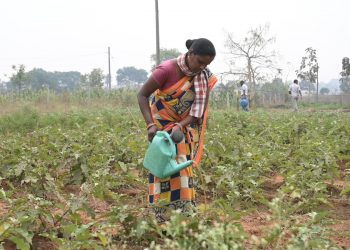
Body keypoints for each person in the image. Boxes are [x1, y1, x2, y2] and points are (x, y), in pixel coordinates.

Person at [137, 38, 217, 223]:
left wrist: (180, 125)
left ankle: (184, 214)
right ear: (190, 54)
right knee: (161, 169)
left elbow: (197, 113)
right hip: (160, 129)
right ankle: (160, 216)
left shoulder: (202, 76)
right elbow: (142, 95)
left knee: (182, 169)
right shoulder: (166, 70)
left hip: (181, 127)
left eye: (207, 64)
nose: (202, 67)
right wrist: (150, 125)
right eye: (200, 62)